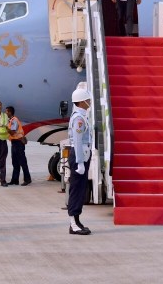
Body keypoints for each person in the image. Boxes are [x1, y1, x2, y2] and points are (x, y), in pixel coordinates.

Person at [68, 88, 93, 235]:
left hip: (82, 155)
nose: (89, 102)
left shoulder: (82, 116)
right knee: (76, 190)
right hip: (79, 157)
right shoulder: (78, 118)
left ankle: (77, 221)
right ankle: (73, 223)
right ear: (81, 101)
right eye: (87, 100)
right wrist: (80, 162)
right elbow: (77, 142)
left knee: (80, 189)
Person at [6, 106, 31, 186]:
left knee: (22, 162)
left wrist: (4, 128)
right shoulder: (10, 120)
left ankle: (27, 179)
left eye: (7, 111)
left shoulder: (14, 120)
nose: (6, 113)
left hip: (18, 143)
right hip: (14, 143)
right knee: (15, 162)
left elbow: (12, 132)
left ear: (10, 112)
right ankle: (15, 180)